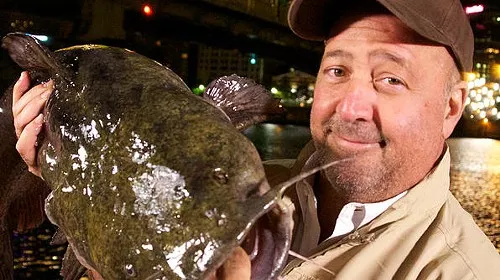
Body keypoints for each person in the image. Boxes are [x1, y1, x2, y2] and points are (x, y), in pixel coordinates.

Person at [11, 0, 500, 279]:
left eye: (391, 79)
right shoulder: (249, 179)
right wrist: (83, 186)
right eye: (337, 69)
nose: (349, 107)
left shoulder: (461, 271)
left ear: (450, 108)